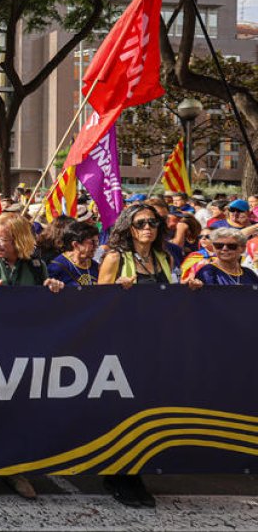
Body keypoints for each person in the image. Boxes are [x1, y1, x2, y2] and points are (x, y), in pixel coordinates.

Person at [0, 212, 62, 502]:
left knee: (17, 411)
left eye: (2, 238)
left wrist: (52, 288)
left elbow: (47, 306)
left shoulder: (36, 265)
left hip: (23, 349)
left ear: (19, 239)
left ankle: (13, 469)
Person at [95, 203, 188, 508]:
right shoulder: (114, 257)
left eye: (153, 222)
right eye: (140, 223)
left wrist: (188, 289)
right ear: (128, 227)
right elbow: (94, 305)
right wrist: (117, 293)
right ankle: (118, 475)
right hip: (121, 346)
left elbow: (169, 297)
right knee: (121, 411)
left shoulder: (164, 257)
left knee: (146, 409)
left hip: (156, 346)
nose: (148, 227)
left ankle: (135, 473)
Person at [193, 227, 258, 285]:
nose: (224, 249)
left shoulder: (249, 273)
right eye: (219, 246)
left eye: (231, 246)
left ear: (242, 248)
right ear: (214, 248)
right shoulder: (207, 272)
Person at [46, 220, 100, 286]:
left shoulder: (96, 266)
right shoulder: (56, 268)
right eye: (92, 242)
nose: (96, 246)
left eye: (97, 241)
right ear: (76, 245)